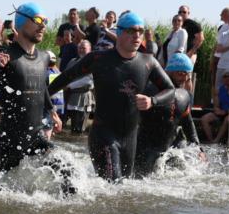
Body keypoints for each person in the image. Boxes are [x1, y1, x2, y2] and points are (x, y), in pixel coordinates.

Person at [0, 2, 72, 194]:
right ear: (22, 22)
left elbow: (41, 88)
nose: (43, 26)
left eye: (46, 21)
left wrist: (52, 112)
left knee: (68, 172)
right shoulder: (4, 53)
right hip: (9, 140)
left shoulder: (43, 58)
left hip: (35, 137)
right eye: (39, 20)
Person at [48, 11, 175, 182]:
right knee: (113, 187)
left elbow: (170, 90)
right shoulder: (98, 59)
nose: (137, 36)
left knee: (124, 193)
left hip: (130, 137)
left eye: (140, 31)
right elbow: (63, 79)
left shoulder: (148, 62)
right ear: (119, 33)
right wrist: (44, 104)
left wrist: (153, 101)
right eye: (132, 31)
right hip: (103, 135)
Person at [134, 53, 204, 177]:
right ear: (169, 71)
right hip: (146, 147)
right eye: (180, 73)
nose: (184, 77)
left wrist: (198, 148)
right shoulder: (150, 91)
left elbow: (187, 122)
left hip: (171, 148)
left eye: (187, 74)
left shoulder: (184, 96)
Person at [64, 39, 94, 134]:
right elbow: (65, 76)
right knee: (67, 127)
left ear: (90, 49)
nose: (81, 50)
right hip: (69, 97)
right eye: (80, 48)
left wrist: (69, 85)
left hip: (83, 97)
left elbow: (89, 81)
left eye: (84, 48)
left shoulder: (92, 61)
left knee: (79, 130)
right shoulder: (72, 61)